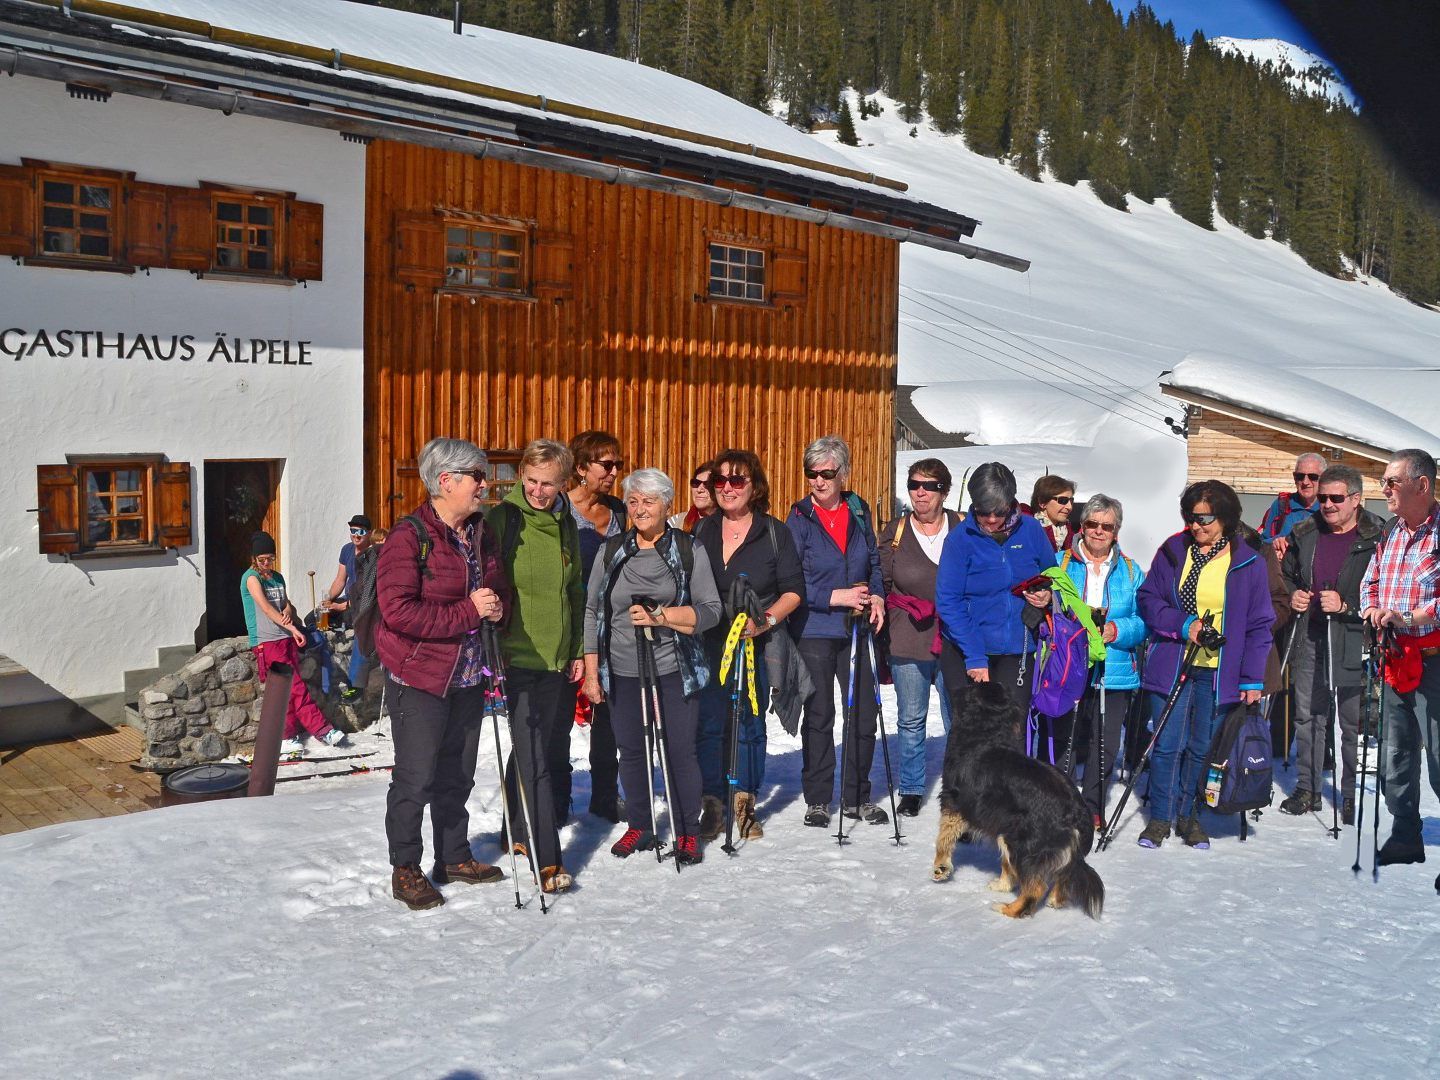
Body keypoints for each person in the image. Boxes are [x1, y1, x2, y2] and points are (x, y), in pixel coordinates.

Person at [374, 437, 511, 911]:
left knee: (459, 774)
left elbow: (496, 588)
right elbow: (398, 613)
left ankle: (453, 855)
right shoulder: (408, 537)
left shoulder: (478, 533)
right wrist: (470, 612)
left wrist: (496, 608)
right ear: (446, 481)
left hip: (469, 675)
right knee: (416, 777)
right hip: (420, 677)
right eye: (477, 475)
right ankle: (405, 868)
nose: (484, 484)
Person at [583, 468, 722, 864]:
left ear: (667, 505)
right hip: (623, 667)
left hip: (674, 666)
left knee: (679, 750)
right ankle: (641, 826)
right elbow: (592, 611)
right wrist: (592, 672)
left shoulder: (688, 549)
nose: (640, 509)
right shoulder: (612, 550)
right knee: (630, 750)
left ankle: (687, 830)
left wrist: (663, 617)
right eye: (633, 501)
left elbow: (711, 610)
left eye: (649, 501)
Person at [1135, 480, 1274, 850]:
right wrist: (1185, 624)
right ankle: (1160, 819)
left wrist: (1251, 678)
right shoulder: (1172, 550)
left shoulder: (1248, 562)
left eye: (1206, 518)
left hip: (1219, 671)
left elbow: (1260, 625)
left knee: (1203, 748)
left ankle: (1189, 816)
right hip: (1174, 662)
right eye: (1191, 518)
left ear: (1226, 519)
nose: (1197, 526)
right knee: (1166, 745)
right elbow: (1148, 599)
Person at [485, 439, 584, 892]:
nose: (539, 491)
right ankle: (548, 861)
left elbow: (575, 591)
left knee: (536, 746)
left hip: (558, 658)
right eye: (531, 481)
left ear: (564, 483)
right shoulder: (501, 520)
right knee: (537, 757)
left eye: (548, 484)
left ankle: (516, 828)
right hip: (517, 657)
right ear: (521, 475)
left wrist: (579, 649)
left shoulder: (565, 522)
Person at [693, 449, 804, 840]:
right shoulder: (702, 532)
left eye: (736, 481)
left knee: (749, 723)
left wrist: (765, 622)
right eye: (719, 481)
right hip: (709, 641)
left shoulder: (774, 533)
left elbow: (793, 591)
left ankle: (744, 800)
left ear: (753, 486)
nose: (726, 488)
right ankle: (712, 802)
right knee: (709, 723)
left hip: (756, 642)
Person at [787, 435, 888, 828]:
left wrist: (876, 597)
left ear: (843, 473)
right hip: (815, 627)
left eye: (826, 473)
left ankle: (857, 796)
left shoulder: (859, 510)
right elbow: (791, 582)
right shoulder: (798, 519)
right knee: (820, 713)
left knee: (862, 712)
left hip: (859, 627)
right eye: (811, 473)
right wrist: (836, 596)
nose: (818, 481)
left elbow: (875, 564)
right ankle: (817, 799)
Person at [1279, 464, 1383, 823]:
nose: (1327, 504)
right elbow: (1287, 575)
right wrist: (1293, 596)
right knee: (1308, 715)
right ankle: (1308, 788)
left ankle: (1351, 795)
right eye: (1322, 497)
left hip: (1354, 638)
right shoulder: (1305, 531)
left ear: (1356, 499)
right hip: (1310, 635)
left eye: (1336, 498)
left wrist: (1347, 605)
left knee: (1351, 724)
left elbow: (1385, 593)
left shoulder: (1377, 537)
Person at [1360, 448, 1440, 874]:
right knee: (1396, 753)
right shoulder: (1390, 531)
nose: (1385, 489)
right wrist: (1372, 609)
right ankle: (1405, 835)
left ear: (1421, 485)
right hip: (1395, 658)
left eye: (1392, 482)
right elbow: (1369, 582)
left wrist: (1410, 617)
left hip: (1435, 660)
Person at [935, 462, 1055, 724]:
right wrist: (974, 655)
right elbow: (948, 602)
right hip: (967, 649)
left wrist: (1047, 596)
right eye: (983, 511)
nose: (990, 519)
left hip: (1016, 649)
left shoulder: (1031, 531)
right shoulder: (959, 540)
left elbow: (1053, 576)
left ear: (1011, 503)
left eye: (998, 512)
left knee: (1010, 733)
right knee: (972, 737)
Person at [878, 459, 964, 817]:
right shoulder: (895, 531)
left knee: (957, 718)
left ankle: (959, 792)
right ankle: (912, 789)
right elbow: (880, 579)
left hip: (955, 636)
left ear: (943, 490)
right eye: (914, 485)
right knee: (911, 718)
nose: (920, 492)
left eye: (928, 486)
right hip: (908, 634)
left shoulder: (961, 526)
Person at [1057, 495, 1147, 828]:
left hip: (1114, 668)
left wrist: (1116, 629)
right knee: (1066, 739)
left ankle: (1093, 806)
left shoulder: (1130, 570)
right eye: (1092, 524)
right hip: (1069, 664)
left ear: (1116, 531)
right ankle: (1061, 804)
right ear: (1082, 527)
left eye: (1106, 526)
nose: (1098, 531)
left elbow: (1143, 620)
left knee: (1106, 743)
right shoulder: (1061, 563)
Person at [241, 531, 345, 756]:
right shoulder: (251, 578)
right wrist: (292, 627)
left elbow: (286, 604)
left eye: (270, 558)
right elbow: (267, 609)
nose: (267, 563)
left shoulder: (277, 577)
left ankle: (286, 735)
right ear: (254, 559)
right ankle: (322, 729)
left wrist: (289, 615)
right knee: (295, 687)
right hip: (267, 641)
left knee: (286, 691)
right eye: (262, 560)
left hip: (284, 637)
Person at [568, 430, 628, 822]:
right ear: (580, 467)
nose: (613, 473)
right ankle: (554, 798)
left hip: (614, 630)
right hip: (571, 628)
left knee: (610, 718)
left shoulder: (620, 512)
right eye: (606, 465)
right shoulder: (561, 511)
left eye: (618, 465)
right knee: (558, 719)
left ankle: (606, 796)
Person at [1259, 452, 1326, 559]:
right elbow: (1261, 542)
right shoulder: (1281, 504)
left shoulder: (1329, 508)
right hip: (1283, 572)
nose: (1305, 482)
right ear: (1294, 478)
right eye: (1300, 476)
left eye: (1312, 477)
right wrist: (1274, 542)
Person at [1023, 474, 1078, 553]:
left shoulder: (1069, 533)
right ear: (1042, 502)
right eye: (1062, 500)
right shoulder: (1027, 531)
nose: (1069, 507)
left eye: (1071, 501)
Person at [669, 460, 716, 532]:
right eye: (696, 483)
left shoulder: (728, 523)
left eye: (707, 484)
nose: (699, 490)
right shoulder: (675, 523)